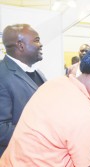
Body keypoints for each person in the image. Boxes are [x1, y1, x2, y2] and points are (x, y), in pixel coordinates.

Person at [0, 24, 46, 156]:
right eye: (36, 40)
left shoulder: (37, 72)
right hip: (17, 157)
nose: (41, 44)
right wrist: (42, 133)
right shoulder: (2, 75)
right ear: (21, 45)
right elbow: (1, 129)